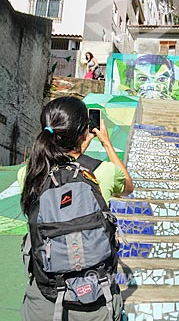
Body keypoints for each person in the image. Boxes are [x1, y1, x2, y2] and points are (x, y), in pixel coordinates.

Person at [18, 96, 134, 321]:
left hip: (44, 300)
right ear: (84, 132)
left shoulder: (29, 174)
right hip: (97, 301)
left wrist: (76, 145)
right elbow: (128, 187)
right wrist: (106, 143)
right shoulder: (103, 172)